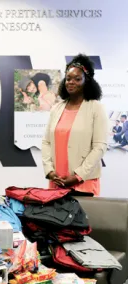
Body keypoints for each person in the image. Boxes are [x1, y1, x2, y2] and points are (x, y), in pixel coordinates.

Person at [42, 54, 108, 196]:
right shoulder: (57, 108)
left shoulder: (96, 108)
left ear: (86, 81)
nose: (71, 82)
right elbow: (46, 142)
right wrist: (50, 171)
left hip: (83, 183)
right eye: (68, 78)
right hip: (57, 183)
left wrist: (78, 176)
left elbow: (99, 147)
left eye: (77, 79)